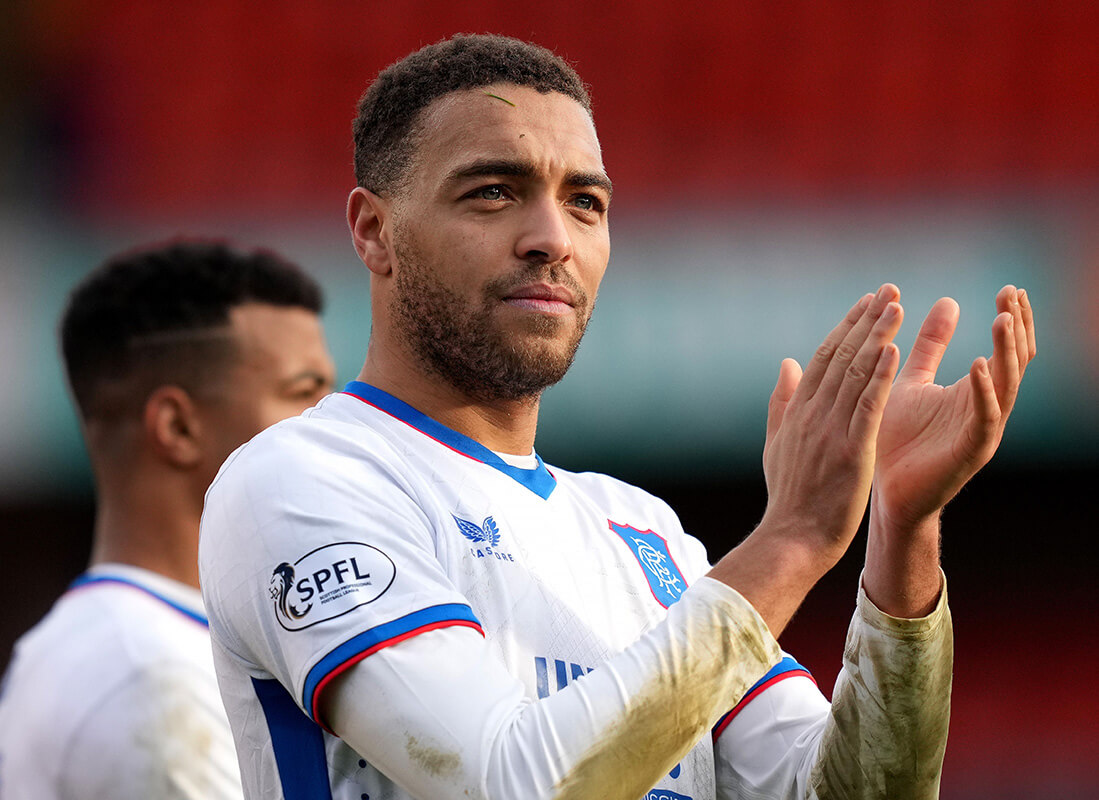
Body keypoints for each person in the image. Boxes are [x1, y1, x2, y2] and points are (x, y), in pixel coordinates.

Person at [198, 34, 1037, 800]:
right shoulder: (303, 480)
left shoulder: (643, 535)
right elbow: (511, 786)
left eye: (585, 203)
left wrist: (900, 534)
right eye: (493, 193)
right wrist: (792, 539)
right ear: (374, 231)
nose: (551, 238)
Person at [0, 240, 336, 800]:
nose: (335, 422)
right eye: (303, 392)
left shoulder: (143, 646)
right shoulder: (144, 675)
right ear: (178, 428)